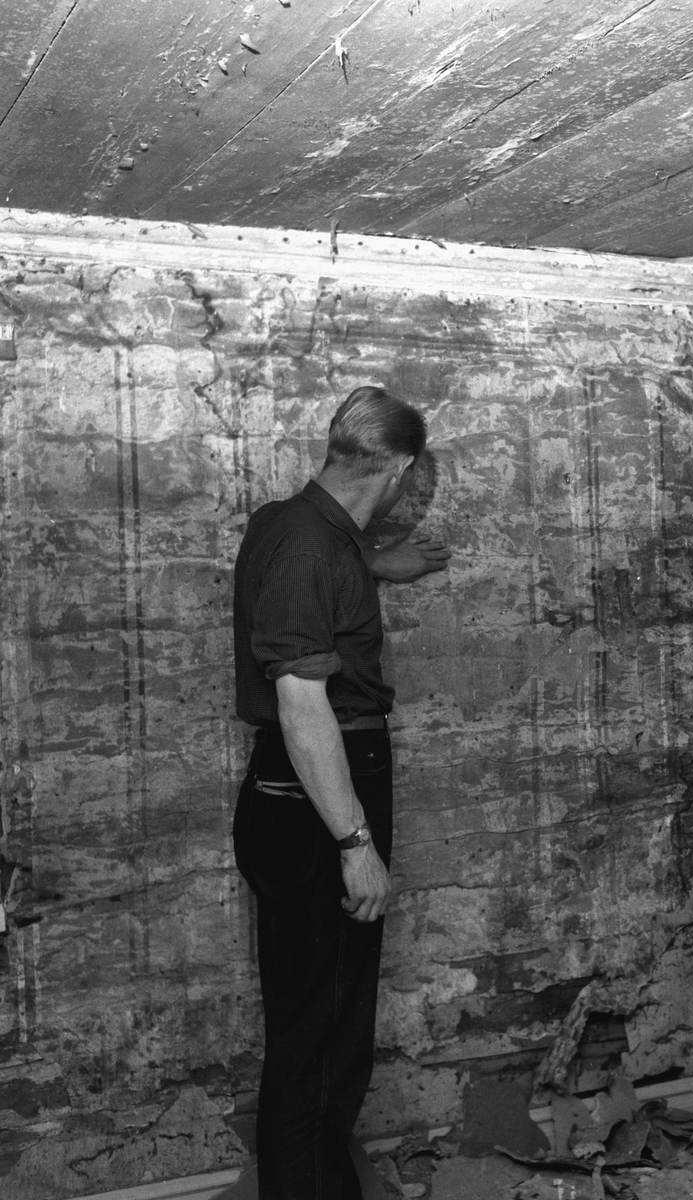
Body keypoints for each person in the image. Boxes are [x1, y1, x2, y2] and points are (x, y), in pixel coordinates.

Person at [232, 386, 449, 1200]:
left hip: (311, 788)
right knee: (320, 1030)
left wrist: (376, 566)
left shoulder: (289, 526)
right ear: (398, 467)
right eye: (411, 478)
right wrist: (354, 844)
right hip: (319, 793)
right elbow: (300, 704)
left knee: (324, 1015)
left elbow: (315, 573)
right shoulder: (309, 551)